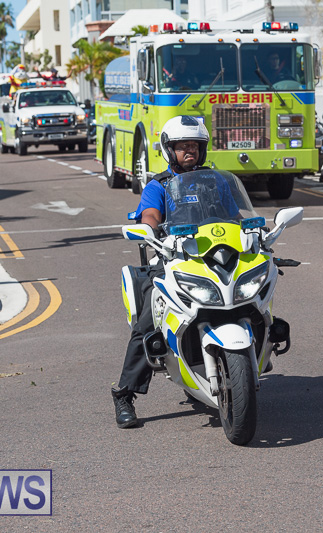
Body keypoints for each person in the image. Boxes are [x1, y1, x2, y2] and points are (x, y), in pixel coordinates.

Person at [112, 115, 211, 429]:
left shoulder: (213, 181)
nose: (189, 152)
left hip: (213, 258)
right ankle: (124, 394)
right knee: (149, 321)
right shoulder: (159, 184)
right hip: (172, 259)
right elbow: (151, 214)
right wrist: (149, 229)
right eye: (183, 147)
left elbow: (235, 212)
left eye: (194, 146)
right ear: (170, 151)